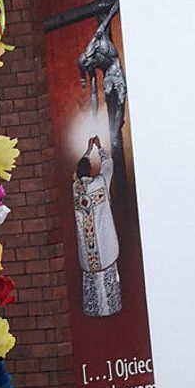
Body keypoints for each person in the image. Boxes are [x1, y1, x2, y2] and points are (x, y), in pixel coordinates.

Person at [73, 136, 122, 319]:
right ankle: (112, 308)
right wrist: (99, 148)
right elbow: (108, 166)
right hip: (105, 250)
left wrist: (86, 152)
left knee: (94, 284)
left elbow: (79, 170)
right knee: (108, 282)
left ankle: (94, 311)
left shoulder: (76, 190)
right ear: (90, 170)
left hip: (88, 257)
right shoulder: (99, 184)